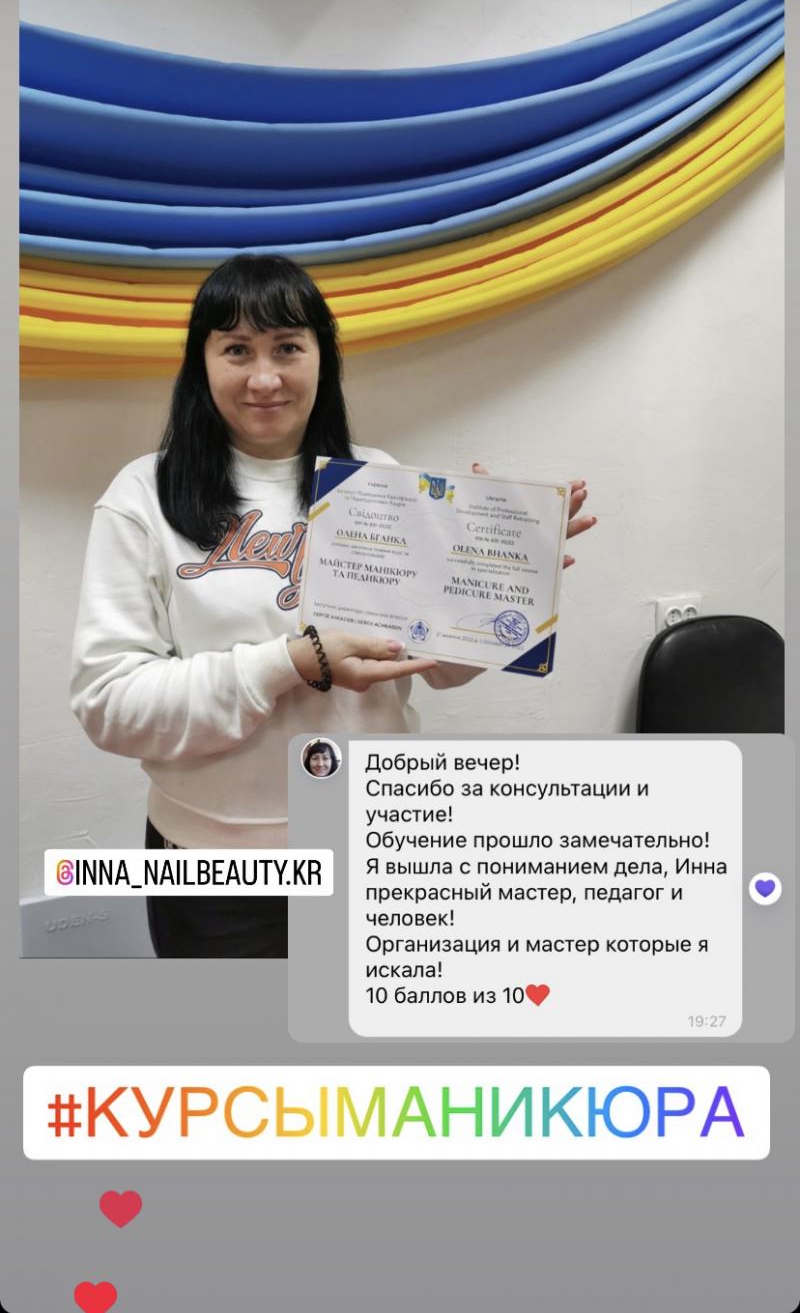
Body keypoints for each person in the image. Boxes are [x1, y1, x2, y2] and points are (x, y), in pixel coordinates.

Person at [70, 253, 596, 959]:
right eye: (237, 349)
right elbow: (108, 703)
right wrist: (294, 661)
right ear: (202, 363)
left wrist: (502, 579)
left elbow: (438, 666)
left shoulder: (379, 481)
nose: (264, 377)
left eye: (288, 347)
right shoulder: (143, 496)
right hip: (213, 867)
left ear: (322, 356)